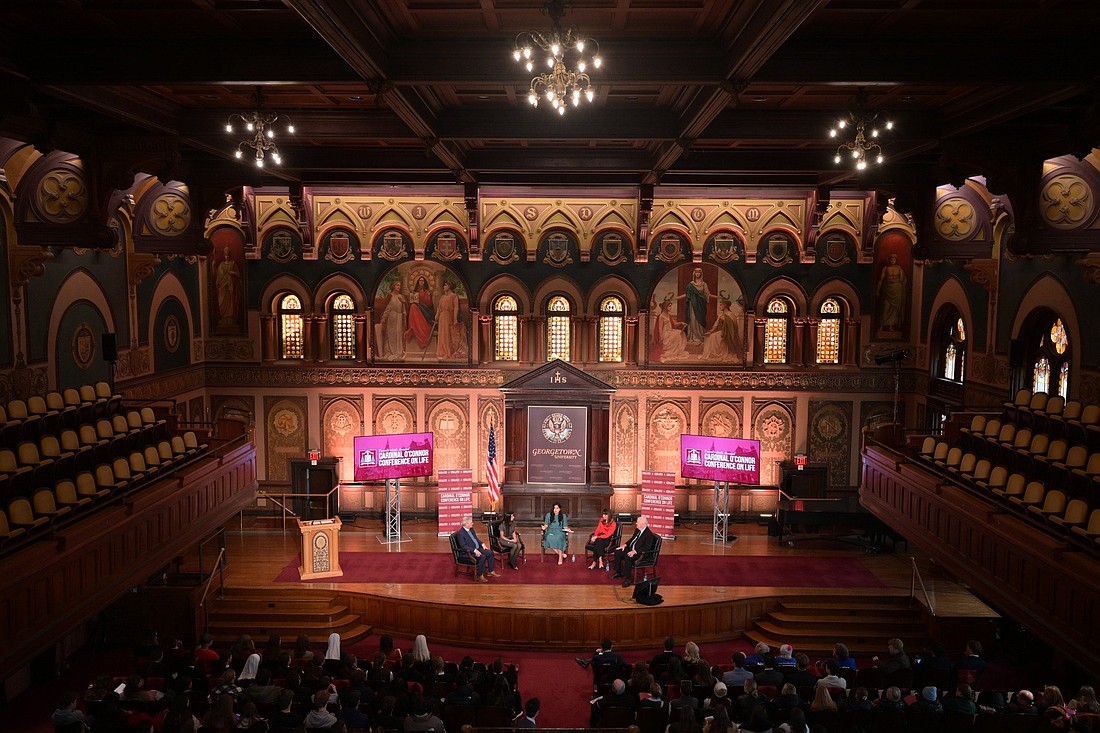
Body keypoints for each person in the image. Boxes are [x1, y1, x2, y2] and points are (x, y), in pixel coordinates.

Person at [612, 516, 658, 587]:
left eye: (637, 522)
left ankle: (628, 579)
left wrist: (635, 551)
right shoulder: (637, 530)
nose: (636, 523)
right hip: (632, 549)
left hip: (640, 554)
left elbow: (647, 548)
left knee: (628, 556)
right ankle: (619, 572)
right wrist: (624, 545)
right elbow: (632, 539)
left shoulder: (649, 535)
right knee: (618, 551)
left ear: (642, 524)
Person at [458, 516, 498, 582]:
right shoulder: (461, 534)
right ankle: (480, 575)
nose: (473, 523)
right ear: (466, 524)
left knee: (490, 552)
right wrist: (474, 550)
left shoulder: (471, 529)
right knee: (482, 556)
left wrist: (482, 544)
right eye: (471, 522)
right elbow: (463, 546)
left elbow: (476, 539)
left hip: (477, 548)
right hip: (468, 552)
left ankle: (490, 571)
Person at [876, 252, 907, 336]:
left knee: (895, 310)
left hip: (897, 289)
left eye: (894, 259)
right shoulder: (885, 269)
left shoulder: (899, 268)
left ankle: (891, 326)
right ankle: (881, 326)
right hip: (888, 289)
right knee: (886, 307)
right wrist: (878, 290)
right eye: (891, 259)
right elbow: (881, 280)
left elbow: (903, 280)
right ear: (889, 260)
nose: (893, 261)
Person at [651, 298, 690, 362]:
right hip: (665, 333)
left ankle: (676, 351)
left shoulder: (668, 315)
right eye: (669, 306)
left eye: (670, 306)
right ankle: (671, 351)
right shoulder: (661, 316)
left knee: (680, 333)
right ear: (665, 307)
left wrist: (681, 323)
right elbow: (660, 328)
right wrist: (661, 337)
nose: (670, 308)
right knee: (676, 335)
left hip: (670, 331)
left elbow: (675, 324)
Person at [378, 278, 407, 359]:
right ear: (393, 286)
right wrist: (384, 317)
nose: (399, 287)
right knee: (391, 334)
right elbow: (387, 308)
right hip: (392, 316)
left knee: (398, 334)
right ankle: (390, 351)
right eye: (397, 285)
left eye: (400, 285)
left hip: (399, 317)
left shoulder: (401, 296)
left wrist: (404, 302)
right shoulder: (390, 296)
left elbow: (404, 308)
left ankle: (398, 352)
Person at [405, 275, 436, 349]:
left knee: (414, 307)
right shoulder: (415, 292)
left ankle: (417, 328)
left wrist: (428, 296)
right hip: (417, 310)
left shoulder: (427, 292)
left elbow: (430, 305)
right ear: (418, 282)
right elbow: (412, 302)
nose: (421, 282)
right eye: (420, 280)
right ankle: (412, 327)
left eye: (423, 281)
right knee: (413, 306)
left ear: (425, 282)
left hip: (426, 311)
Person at [215, 245, 240, 328]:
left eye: (228, 254)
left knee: (231, 303)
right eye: (225, 254)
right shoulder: (221, 265)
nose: (227, 256)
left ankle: (231, 320)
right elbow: (217, 276)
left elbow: (238, 274)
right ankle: (223, 319)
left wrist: (233, 273)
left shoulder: (233, 263)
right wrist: (213, 265)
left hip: (230, 287)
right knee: (221, 303)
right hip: (222, 287)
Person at [436, 280, 461, 359]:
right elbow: (439, 307)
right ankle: (442, 352)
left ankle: (448, 352)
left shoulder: (453, 296)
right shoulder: (443, 297)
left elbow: (456, 307)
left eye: (445, 285)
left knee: (447, 333)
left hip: (448, 315)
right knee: (442, 333)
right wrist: (437, 314)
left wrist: (455, 318)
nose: (444, 287)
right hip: (442, 316)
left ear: (449, 286)